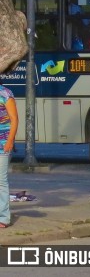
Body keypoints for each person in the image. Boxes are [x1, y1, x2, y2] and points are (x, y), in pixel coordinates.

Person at [0, 84, 18, 227]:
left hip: (2, 143)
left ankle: (4, 218)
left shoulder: (5, 93)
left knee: (1, 181)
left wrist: (10, 141)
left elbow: (14, 119)